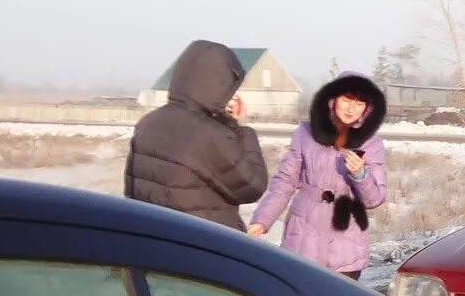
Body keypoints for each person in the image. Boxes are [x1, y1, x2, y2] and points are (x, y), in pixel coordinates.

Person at [248, 73, 389, 280]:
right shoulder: (306, 132)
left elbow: (375, 199)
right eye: (347, 99)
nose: (351, 109)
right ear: (333, 99)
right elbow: (285, 182)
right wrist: (262, 220)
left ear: (367, 108)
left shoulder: (370, 142)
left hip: (345, 245)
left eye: (359, 103)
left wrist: (360, 174)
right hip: (303, 239)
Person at [125, 40, 269, 229]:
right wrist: (243, 129)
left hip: (154, 240)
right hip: (205, 244)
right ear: (216, 85)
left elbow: (132, 191)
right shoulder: (211, 135)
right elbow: (253, 186)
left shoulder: (148, 123)